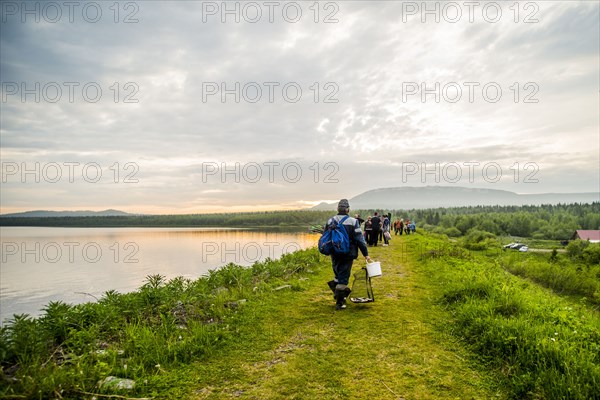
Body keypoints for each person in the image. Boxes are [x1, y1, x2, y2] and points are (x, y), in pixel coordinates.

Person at [325, 199, 371, 310]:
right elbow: (360, 239)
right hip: (348, 253)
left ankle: (339, 294)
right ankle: (340, 303)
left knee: (337, 274)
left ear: (337, 209)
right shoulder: (353, 221)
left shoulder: (330, 221)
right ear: (347, 209)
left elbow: (326, 236)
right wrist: (366, 254)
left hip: (334, 253)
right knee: (343, 277)